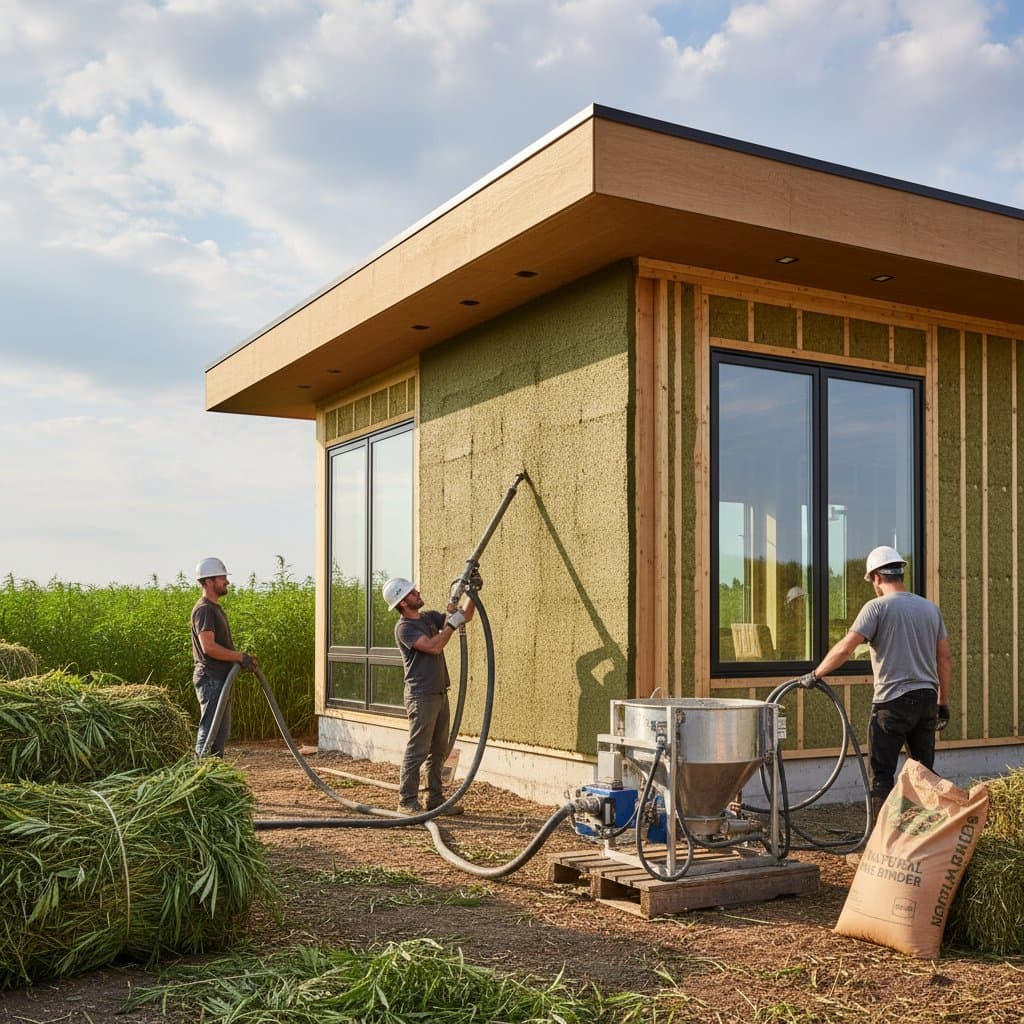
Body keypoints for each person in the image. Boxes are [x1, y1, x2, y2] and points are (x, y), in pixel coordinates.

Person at [795, 545, 951, 823]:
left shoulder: (877, 608)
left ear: (877, 577)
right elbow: (945, 659)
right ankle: (922, 842)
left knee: (882, 776)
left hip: (891, 705)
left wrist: (816, 674)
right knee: (924, 775)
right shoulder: (930, 609)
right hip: (927, 701)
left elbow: (845, 648)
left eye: (872, 582)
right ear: (900, 572)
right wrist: (943, 703)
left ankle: (881, 846)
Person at [382, 576, 474, 815]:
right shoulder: (405, 628)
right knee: (418, 749)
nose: (417, 593)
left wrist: (472, 593)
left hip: (439, 691)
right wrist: (452, 624)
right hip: (421, 696)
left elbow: (465, 616)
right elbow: (433, 647)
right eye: (412, 593)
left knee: (439, 750)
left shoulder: (429, 617)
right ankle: (407, 801)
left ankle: (434, 800)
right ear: (403, 602)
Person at [191, 557, 258, 758]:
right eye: (222, 578)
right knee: (209, 732)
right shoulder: (204, 610)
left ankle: (215, 778)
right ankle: (200, 776)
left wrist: (241, 659)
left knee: (220, 735)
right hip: (210, 678)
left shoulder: (214, 608)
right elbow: (209, 647)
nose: (226, 582)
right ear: (209, 581)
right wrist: (239, 657)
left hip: (220, 678)